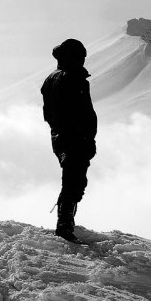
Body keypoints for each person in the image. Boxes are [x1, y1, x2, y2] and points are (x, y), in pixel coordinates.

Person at [41, 38, 97, 242]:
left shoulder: (51, 79)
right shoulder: (72, 78)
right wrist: (84, 137)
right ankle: (64, 226)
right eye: (80, 56)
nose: (83, 60)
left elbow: (49, 114)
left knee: (72, 181)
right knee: (74, 182)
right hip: (74, 139)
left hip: (62, 138)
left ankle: (65, 224)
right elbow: (81, 113)